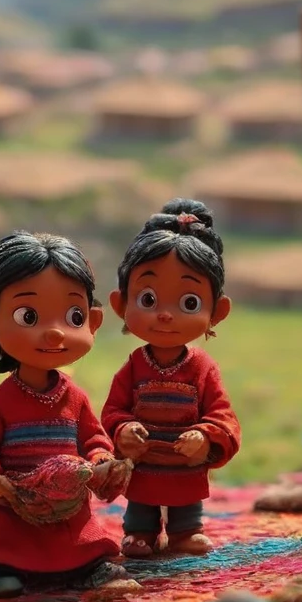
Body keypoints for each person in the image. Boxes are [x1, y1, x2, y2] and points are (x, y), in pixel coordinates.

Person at [0, 230, 126, 598]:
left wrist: (101, 459)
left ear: (93, 322)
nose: (53, 332)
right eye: (28, 315)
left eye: (73, 315)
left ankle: (86, 566)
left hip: (68, 507)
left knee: (87, 545)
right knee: (2, 544)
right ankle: (1, 569)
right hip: (16, 506)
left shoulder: (75, 397)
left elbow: (94, 437)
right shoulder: (0, 403)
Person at [101, 199, 241, 558]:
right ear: (121, 304)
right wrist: (122, 430)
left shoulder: (202, 368)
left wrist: (206, 435)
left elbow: (222, 414)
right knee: (142, 503)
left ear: (218, 312)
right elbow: (113, 410)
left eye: (189, 303)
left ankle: (185, 531)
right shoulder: (133, 366)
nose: (165, 315)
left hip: (185, 466)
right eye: (148, 299)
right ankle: (139, 532)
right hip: (145, 464)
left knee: (185, 504)